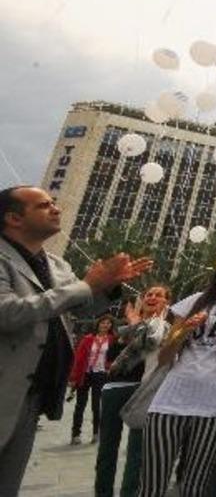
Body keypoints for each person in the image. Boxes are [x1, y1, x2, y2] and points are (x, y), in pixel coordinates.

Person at [0, 185, 151, 497]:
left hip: (30, 394)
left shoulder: (55, 264)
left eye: (54, 202)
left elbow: (81, 308)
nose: (55, 209)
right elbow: (8, 313)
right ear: (14, 218)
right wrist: (87, 286)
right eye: (44, 205)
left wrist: (105, 288)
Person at [140, 237, 216, 497]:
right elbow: (164, 357)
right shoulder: (195, 301)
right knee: (151, 486)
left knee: (196, 487)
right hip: (169, 402)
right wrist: (183, 331)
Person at [94, 285, 170, 497]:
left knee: (137, 454)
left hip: (144, 392)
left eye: (159, 295)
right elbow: (115, 355)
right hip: (114, 389)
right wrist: (134, 324)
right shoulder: (122, 327)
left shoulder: (166, 327)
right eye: (148, 294)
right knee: (106, 450)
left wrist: (138, 324)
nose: (152, 297)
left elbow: (152, 342)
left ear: (167, 303)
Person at [69, 313, 117, 445]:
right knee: (80, 404)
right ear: (98, 324)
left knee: (97, 405)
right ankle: (75, 434)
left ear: (111, 326)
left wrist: (110, 367)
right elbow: (78, 359)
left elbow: (115, 357)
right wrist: (73, 377)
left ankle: (96, 433)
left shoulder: (113, 339)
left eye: (108, 323)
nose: (105, 325)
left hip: (101, 374)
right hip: (86, 373)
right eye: (103, 322)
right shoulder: (88, 339)